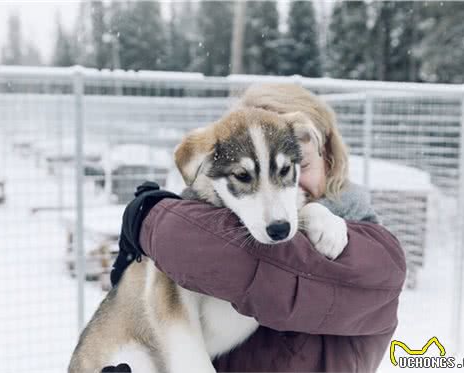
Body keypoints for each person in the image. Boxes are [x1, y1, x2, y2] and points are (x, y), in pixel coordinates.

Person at [109, 84, 406, 372]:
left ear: (328, 156)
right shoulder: (234, 219)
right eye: (247, 173)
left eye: (290, 168)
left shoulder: (379, 252)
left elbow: (256, 263)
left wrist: (150, 220)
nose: (282, 200)